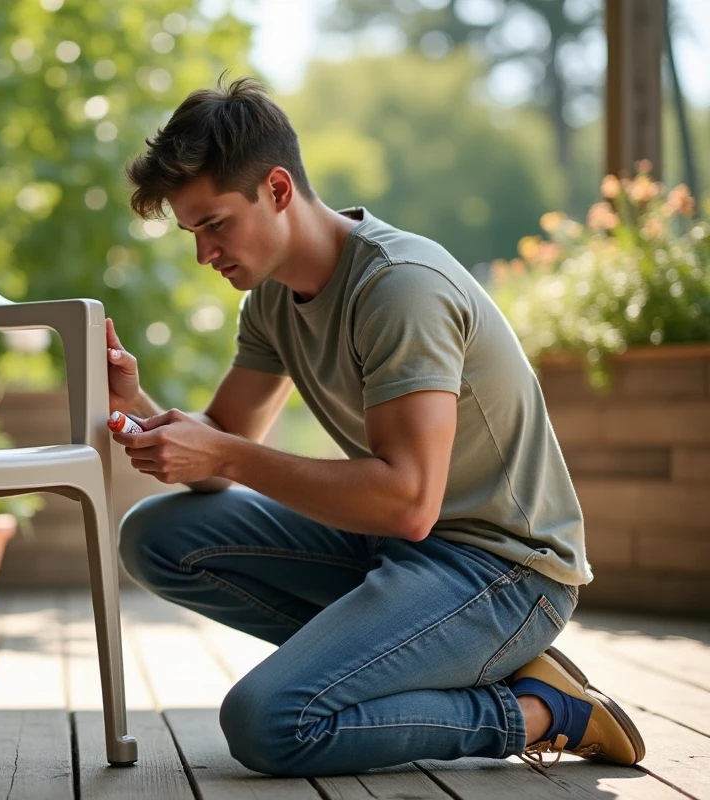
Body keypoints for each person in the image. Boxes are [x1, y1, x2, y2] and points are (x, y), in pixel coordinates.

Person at [106, 75, 644, 777]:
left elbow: (407, 501)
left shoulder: (399, 289)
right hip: (401, 551)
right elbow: (221, 446)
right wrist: (139, 403)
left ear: (276, 189)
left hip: (505, 572)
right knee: (157, 535)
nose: (204, 253)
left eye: (214, 224)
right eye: (191, 232)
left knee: (270, 721)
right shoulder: (272, 297)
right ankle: (394, 663)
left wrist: (229, 456)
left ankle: (543, 710)